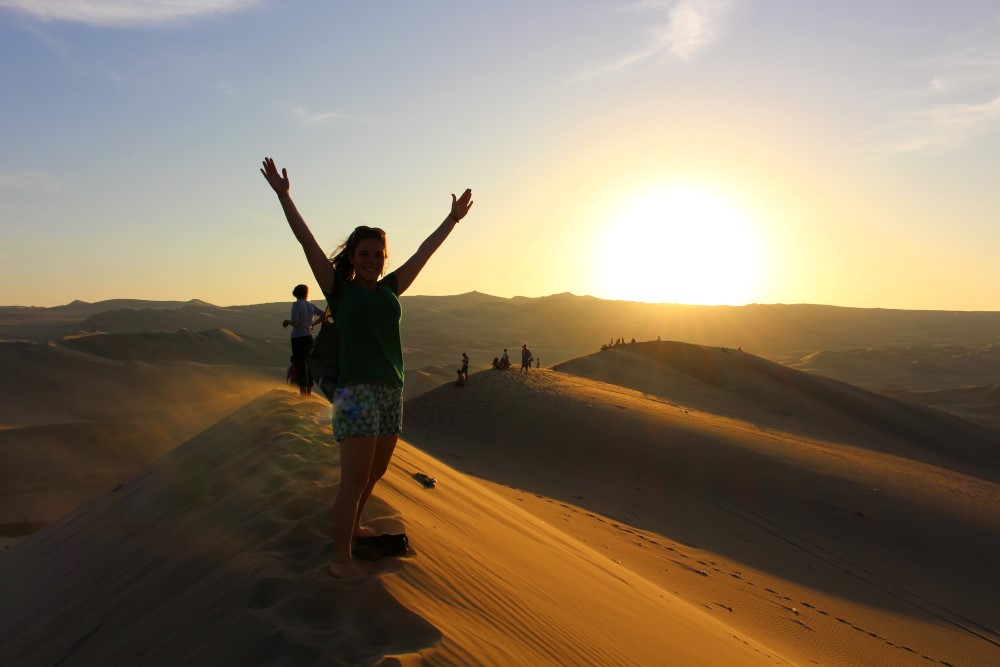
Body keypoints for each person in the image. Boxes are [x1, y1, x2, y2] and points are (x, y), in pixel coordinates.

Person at [261, 156, 473, 578]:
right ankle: (341, 560)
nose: (372, 260)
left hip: (390, 392)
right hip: (355, 394)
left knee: (374, 474)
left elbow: (423, 254)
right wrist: (285, 198)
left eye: (378, 254)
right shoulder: (339, 291)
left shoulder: (392, 288)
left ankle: (355, 528)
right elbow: (308, 244)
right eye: (364, 254)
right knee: (353, 482)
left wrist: (451, 220)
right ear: (353, 258)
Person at [282, 284, 325, 396]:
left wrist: (288, 321)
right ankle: (309, 394)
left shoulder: (296, 305)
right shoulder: (311, 305)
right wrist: (312, 324)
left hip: (297, 338)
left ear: (296, 294)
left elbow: (296, 322)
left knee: (300, 364)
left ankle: (303, 395)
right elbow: (325, 315)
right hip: (308, 338)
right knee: (309, 364)